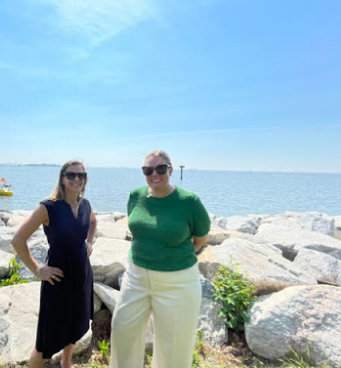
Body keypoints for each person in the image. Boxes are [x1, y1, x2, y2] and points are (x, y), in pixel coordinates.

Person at [110, 149, 210, 368]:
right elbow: (137, 228)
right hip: (136, 277)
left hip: (178, 282)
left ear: (170, 169)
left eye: (160, 168)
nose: (154, 174)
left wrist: (180, 254)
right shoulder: (135, 195)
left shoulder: (189, 201)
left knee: (173, 347)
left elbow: (201, 236)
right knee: (122, 330)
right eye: (148, 170)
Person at [11, 159, 97, 368]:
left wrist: (89, 242)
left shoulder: (85, 204)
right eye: (71, 175)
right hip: (57, 278)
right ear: (62, 178)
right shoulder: (48, 207)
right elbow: (17, 240)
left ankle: (66, 364)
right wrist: (38, 269)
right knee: (46, 342)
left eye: (81, 175)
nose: (77, 179)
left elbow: (93, 222)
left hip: (82, 275)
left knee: (75, 327)